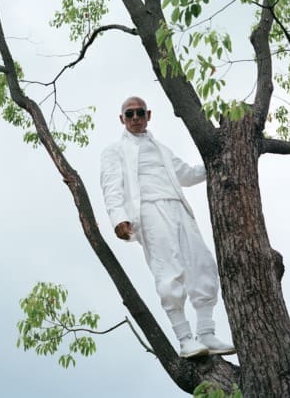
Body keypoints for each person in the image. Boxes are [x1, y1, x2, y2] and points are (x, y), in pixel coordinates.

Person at [100, 96, 235, 358]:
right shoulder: (115, 151)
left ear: (148, 115)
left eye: (140, 112)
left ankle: (206, 332)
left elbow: (185, 174)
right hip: (149, 210)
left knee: (202, 263)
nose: (136, 117)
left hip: (179, 208)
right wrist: (118, 218)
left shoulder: (161, 149)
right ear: (122, 119)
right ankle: (185, 339)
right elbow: (111, 186)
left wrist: (216, 163)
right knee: (168, 270)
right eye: (130, 114)